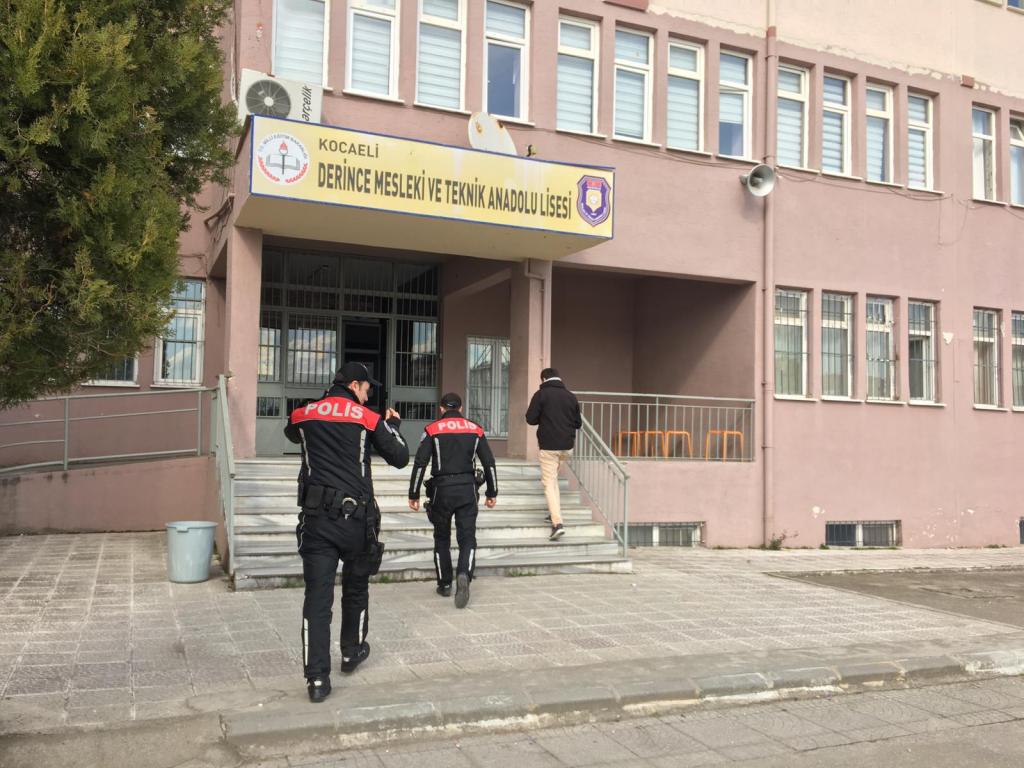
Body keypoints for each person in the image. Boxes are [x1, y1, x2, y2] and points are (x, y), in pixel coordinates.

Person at [284, 361, 409, 703]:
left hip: (316, 522)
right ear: (355, 386)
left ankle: (316, 680)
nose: (368, 395)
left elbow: (292, 433)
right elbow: (400, 456)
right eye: (367, 389)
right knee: (355, 589)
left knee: (317, 600)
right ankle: (352, 652)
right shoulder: (368, 418)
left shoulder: (304, 414)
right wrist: (392, 425)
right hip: (357, 522)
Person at [407, 392, 498, 609]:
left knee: (441, 538)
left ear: (441, 408)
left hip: (441, 491)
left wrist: (414, 493)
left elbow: (420, 463)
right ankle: (464, 574)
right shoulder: (475, 429)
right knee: (468, 538)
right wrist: (492, 492)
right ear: (461, 408)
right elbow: (489, 462)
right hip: (467, 490)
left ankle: (445, 583)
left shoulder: (432, 429)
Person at [524, 367, 582, 541]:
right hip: (567, 447)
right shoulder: (571, 396)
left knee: (549, 483)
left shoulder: (541, 395)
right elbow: (578, 423)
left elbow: (530, 419)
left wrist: (544, 417)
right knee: (553, 480)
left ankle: (557, 524)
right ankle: (553, 511)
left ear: (543, 379)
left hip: (549, 447)